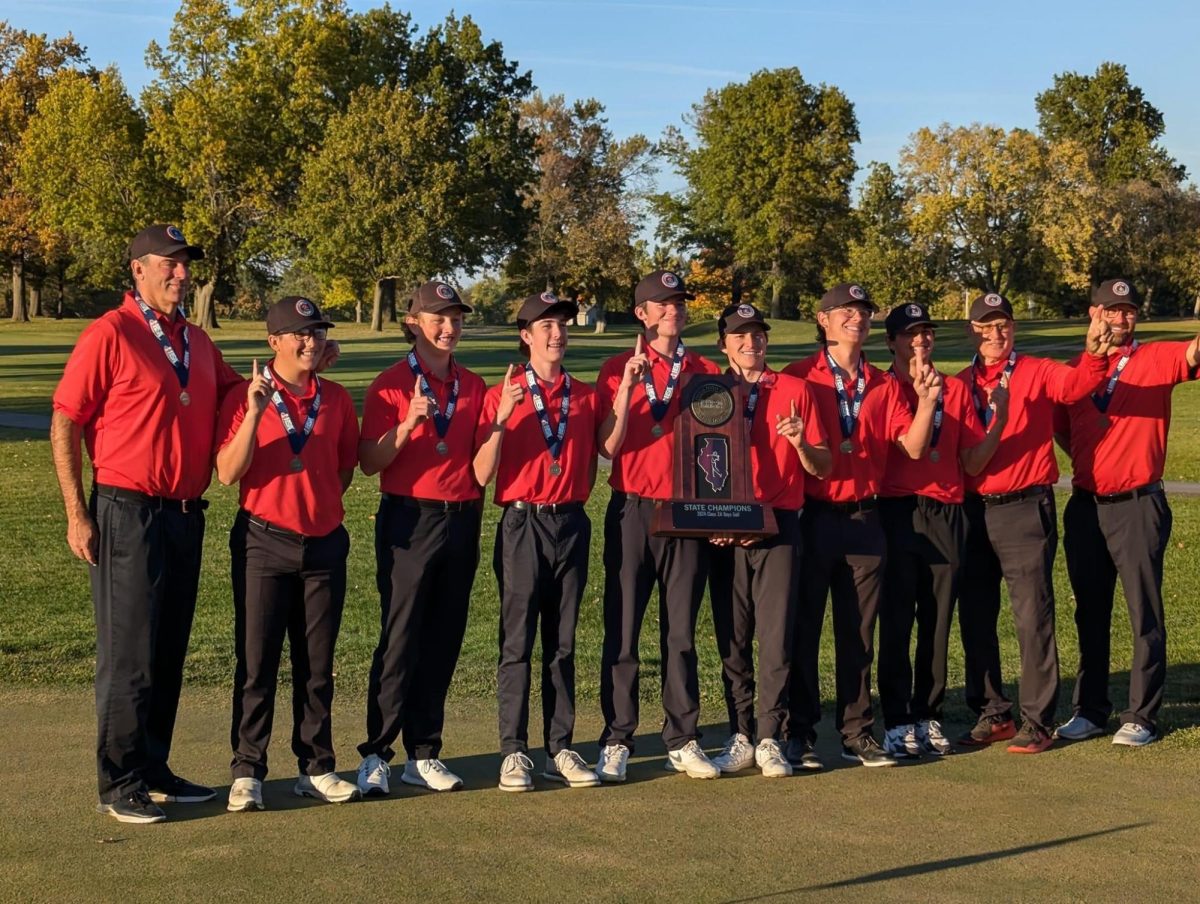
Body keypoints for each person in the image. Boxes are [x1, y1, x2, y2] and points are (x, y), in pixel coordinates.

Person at [50, 224, 242, 823]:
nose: (181, 273)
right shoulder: (110, 333)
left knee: (167, 648)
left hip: (185, 515)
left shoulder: (197, 341)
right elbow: (66, 420)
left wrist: (293, 366)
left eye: (185, 265)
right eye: (170, 263)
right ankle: (119, 781)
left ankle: (153, 766)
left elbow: (237, 393)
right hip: (126, 512)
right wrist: (76, 512)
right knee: (129, 652)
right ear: (138, 269)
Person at [781, 283, 941, 769]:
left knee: (859, 633)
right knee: (803, 629)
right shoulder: (798, 377)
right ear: (822, 319)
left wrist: (928, 402)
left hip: (865, 519)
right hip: (813, 517)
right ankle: (800, 733)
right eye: (846, 312)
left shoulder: (884, 383)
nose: (857, 318)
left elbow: (912, 448)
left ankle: (857, 731)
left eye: (864, 312)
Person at [215, 297, 361, 811]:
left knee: (317, 665)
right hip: (262, 541)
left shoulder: (338, 399)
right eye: (300, 333)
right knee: (257, 662)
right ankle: (248, 769)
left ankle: (316, 765)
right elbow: (228, 473)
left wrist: (315, 503)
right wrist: (255, 415)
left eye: (318, 332)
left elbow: (344, 470)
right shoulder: (243, 396)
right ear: (273, 341)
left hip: (323, 544)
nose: (311, 341)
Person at [955, 292, 1115, 754]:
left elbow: (1076, 384)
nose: (996, 334)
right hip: (974, 508)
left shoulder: (1037, 371)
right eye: (986, 327)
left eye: (1003, 324)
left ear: (1014, 329)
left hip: (1025, 506)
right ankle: (993, 712)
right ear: (973, 331)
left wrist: (1095, 353)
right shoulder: (961, 382)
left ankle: (1037, 719)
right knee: (977, 614)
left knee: (1032, 616)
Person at [1054, 278, 1200, 748]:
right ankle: (1091, 710)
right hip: (1085, 506)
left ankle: (1142, 714)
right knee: (1089, 613)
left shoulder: (1155, 357)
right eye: (1111, 310)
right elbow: (1063, 432)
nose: (1120, 318)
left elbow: (1194, 354)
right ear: (1092, 312)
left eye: (1129, 311)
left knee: (1144, 613)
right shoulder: (1074, 370)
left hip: (1139, 504)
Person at [355, 280, 486, 795]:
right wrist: (408, 425)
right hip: (409, 520)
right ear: (413, 323)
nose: (448, 327)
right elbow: (369, 463)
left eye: (455, 318)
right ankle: (377, 754)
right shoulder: (389, 385)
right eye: (438, 317)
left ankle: (424, 752)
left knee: (444, 636)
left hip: (463, 518)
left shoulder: (474, 385)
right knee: (401, 635)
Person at [594, 269, 723, 782]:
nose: (673, 310)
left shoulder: (708, 369)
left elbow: (721, 450)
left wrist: (719, 508)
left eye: (679, 303)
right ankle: (618, 737)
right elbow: (608, 447)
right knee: (623, 631)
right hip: (631, 509)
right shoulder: (613, 368)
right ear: (641, 314)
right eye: (662, 304)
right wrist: (626, 387)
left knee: (681, 632)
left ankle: (682, 737)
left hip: (685, 512)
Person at [474, 292, 602, 792]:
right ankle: (513, 751)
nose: (557, 333)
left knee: (563, 642)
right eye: (546, 326)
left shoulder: (585, 395)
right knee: (518, 640)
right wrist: (503, 417)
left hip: (571, 522)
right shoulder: (501, 392)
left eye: (563, 325)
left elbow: (603, 452)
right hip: (522, 523)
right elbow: (482, 474)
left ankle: (561, 747)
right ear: (526, 336)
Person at [876, 302, 1006, 759]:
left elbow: (970, 460)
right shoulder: (884, 387)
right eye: (910, 334)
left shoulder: (952, 388)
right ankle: (895, 718)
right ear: (891, 342)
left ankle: (927, 712)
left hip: (947, 510)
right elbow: (910, 449)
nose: (921, 341)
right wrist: (925, 400)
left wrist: (1000, 421)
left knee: (936, 619)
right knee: (895, 618)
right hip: (898, 511)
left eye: (926, 332)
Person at [706, 303, 831, 779]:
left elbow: (823, 467)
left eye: (757, 334)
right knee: (733, 637)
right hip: (723, 526)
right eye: (739, 335)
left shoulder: (797, 390)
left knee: (776, 637)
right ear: (724, 344)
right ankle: (740, 733)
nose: (749, 343)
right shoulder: (710, 392)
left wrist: (800, 443)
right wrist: (711, 516)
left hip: (780, 524)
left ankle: (769, 737)